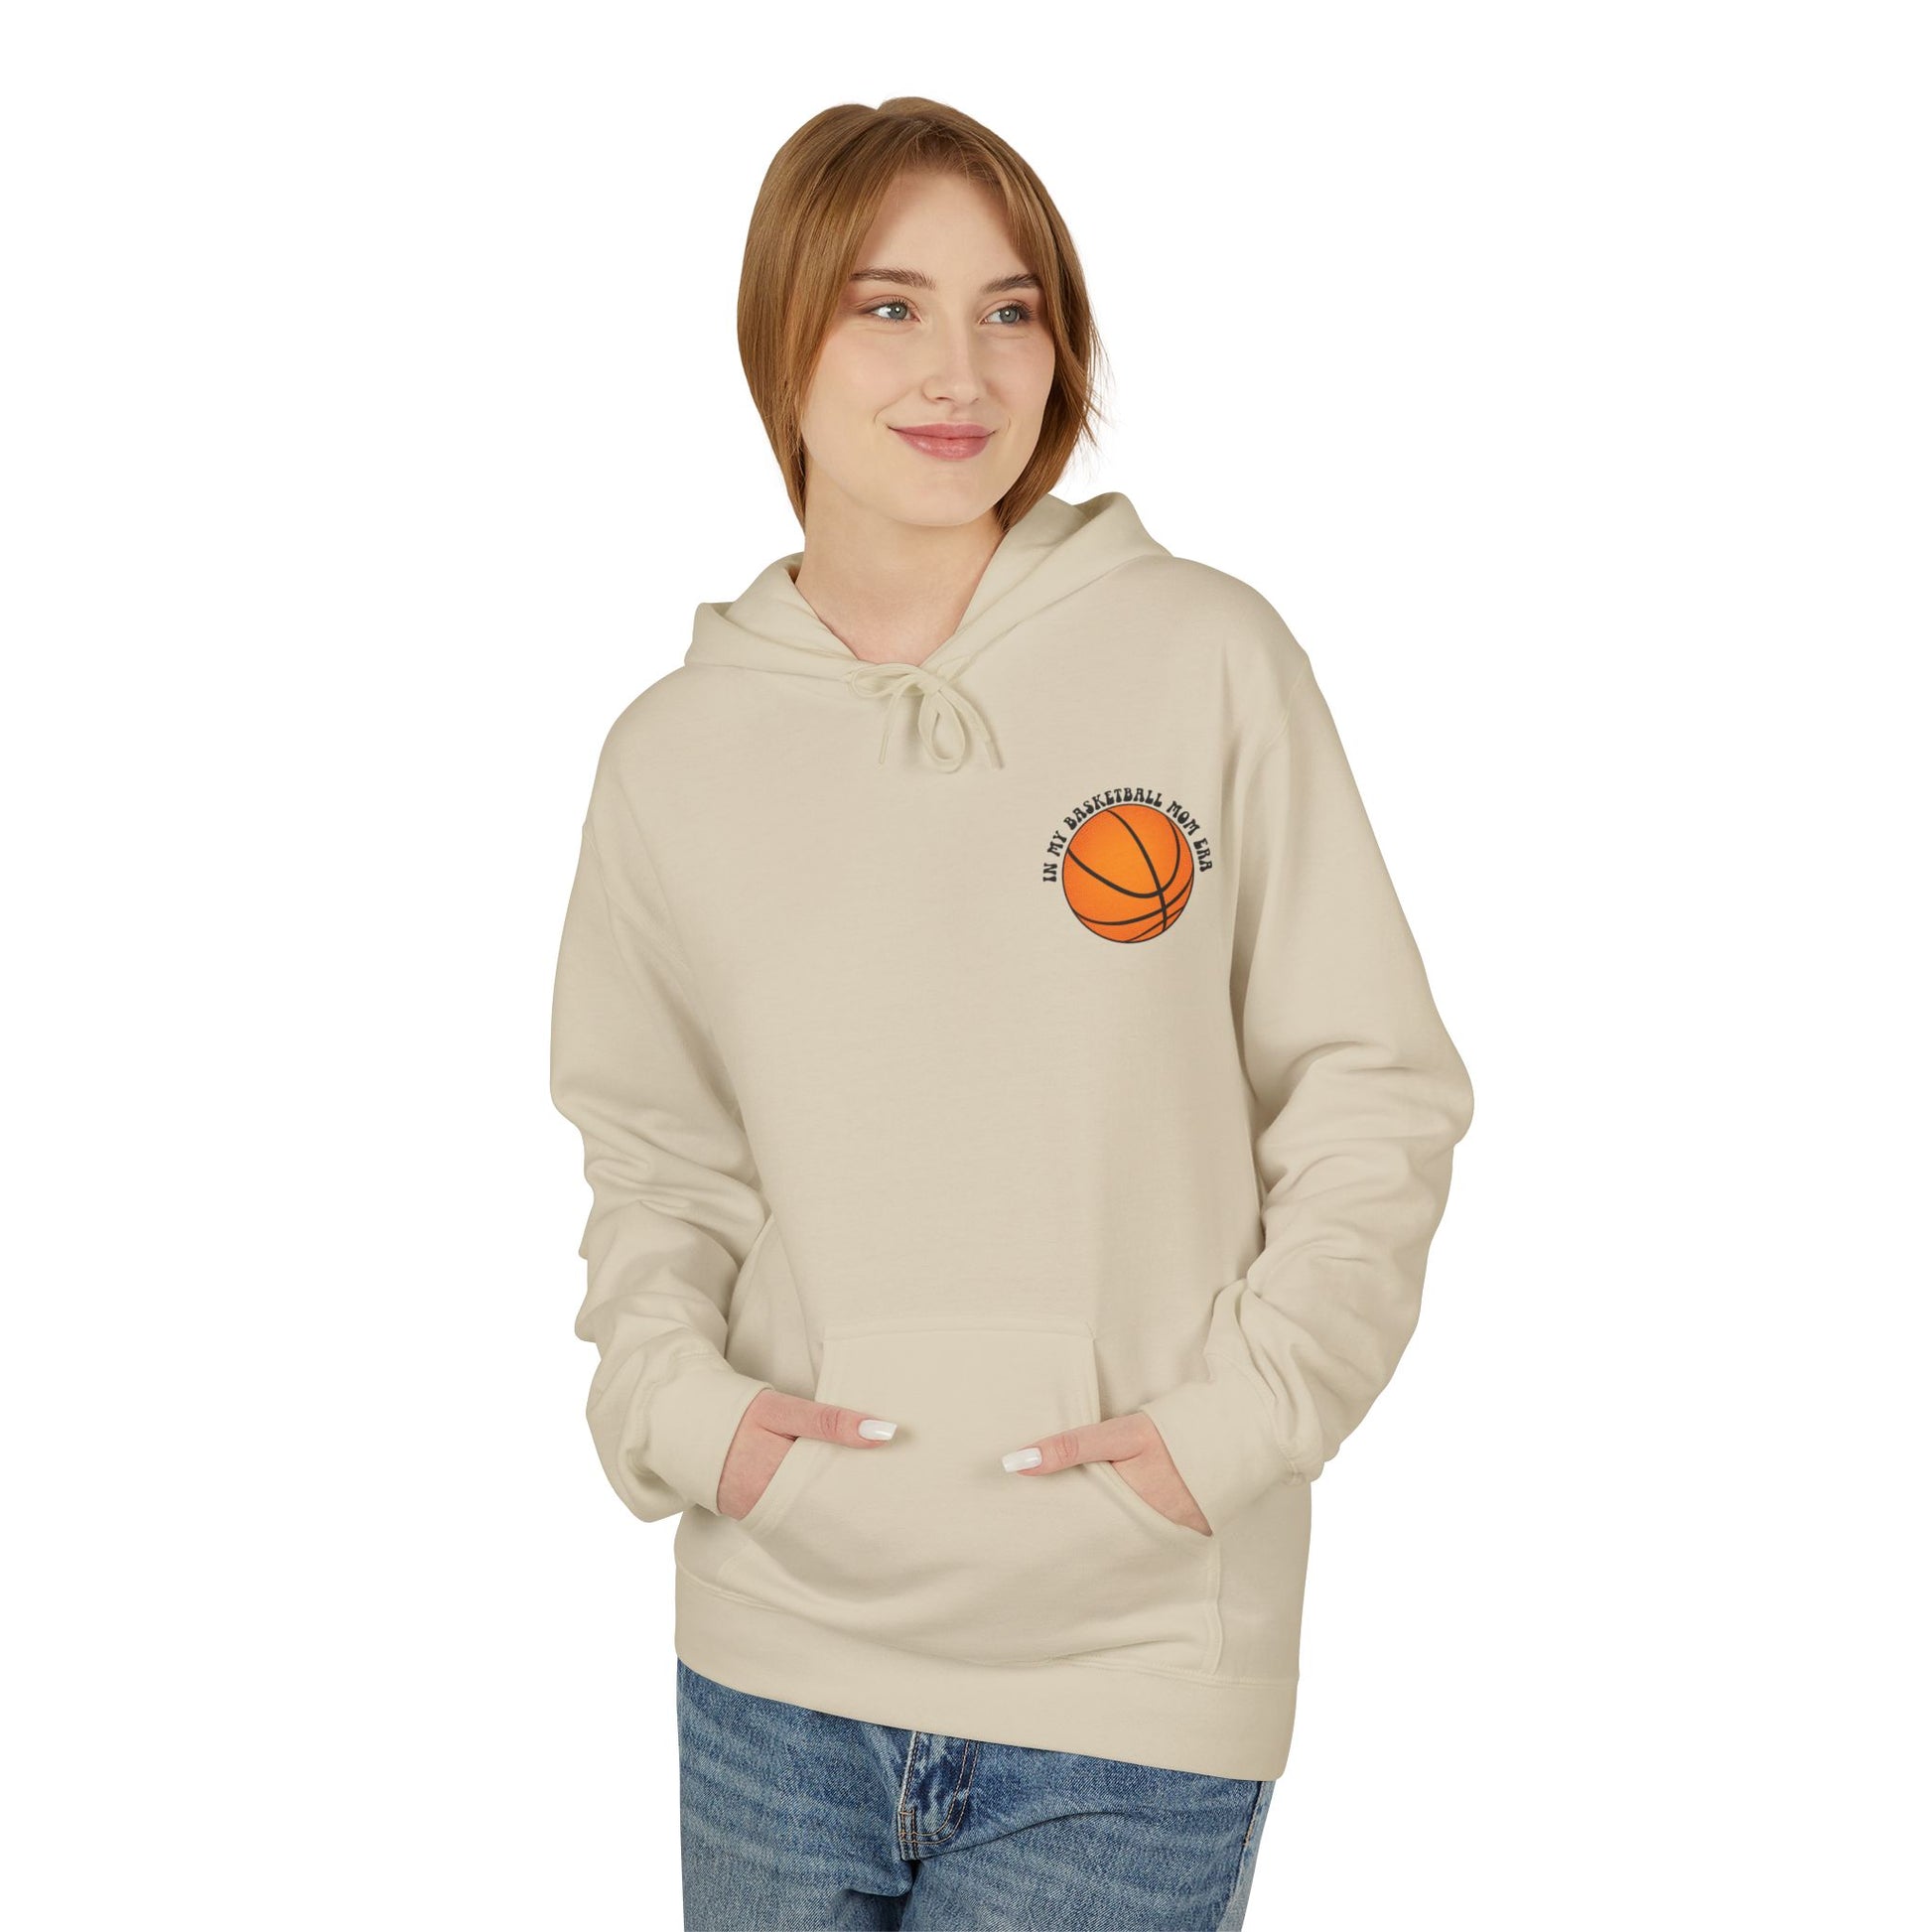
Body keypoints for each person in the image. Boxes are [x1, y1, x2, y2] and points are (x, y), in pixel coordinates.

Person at [549, 96, 1475, 1931]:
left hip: (1131, 1665)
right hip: (774, 1651)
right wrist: (686, 1415)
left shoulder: (1204, 654)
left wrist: (1234, 1429)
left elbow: (1372, 1091)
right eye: (886, 306)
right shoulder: (674, 752)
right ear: (780, 337)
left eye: (1012, 309)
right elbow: (655, 1152)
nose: (958, 370)